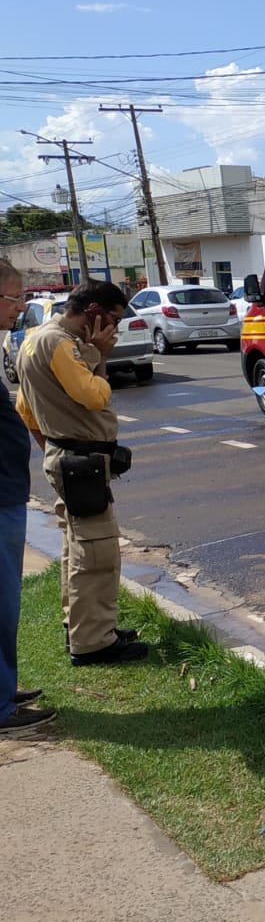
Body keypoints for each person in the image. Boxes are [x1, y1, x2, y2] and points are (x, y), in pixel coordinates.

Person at [14, 280, 149, 668]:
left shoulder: (37, 339)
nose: (115, 329)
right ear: (93, 312)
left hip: (69, 459)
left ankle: (82, 627)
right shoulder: (60, 344)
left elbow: (26, 410)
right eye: (114, 319)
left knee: (77, 548)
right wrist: (100, 356)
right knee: (96, 553)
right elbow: (94, 396)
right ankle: (93, 643)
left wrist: (54, 449)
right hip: (79, 462)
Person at [0, 262, 50, 732]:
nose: (20, 307)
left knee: (7, 603)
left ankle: (4, 689)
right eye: (15, 298)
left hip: (8, 493)